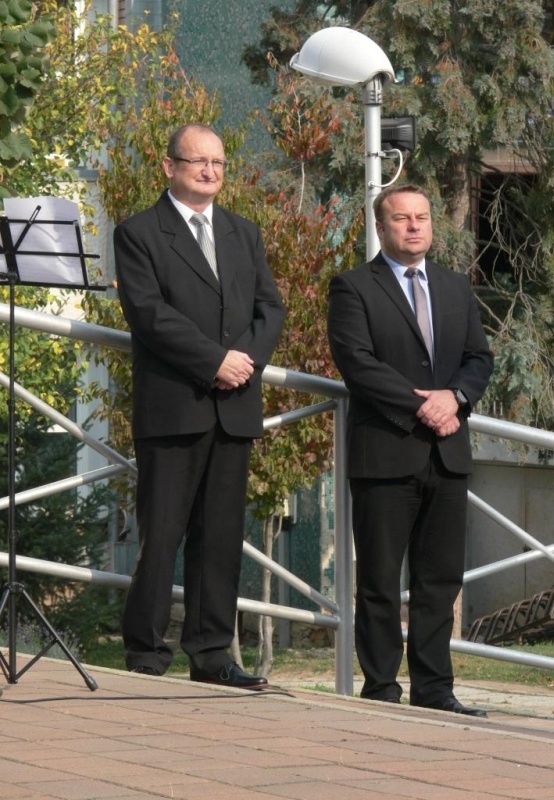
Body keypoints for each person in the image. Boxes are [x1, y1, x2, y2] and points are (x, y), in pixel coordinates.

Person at [114, 123, 285, 688]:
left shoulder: (243, 232)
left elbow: (270, 309)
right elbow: (149, 313)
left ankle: (212, 655)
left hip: (234, 405)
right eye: (198, 161)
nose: (210, 171)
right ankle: (145, 653)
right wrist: (214, 361)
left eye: (218, 162)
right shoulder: (138, 232)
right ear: (169, 167)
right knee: (162, 535)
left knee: (219, 539)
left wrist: (244, 362)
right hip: (175, 407)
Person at [327, 184, 493, 715]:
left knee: (439, 580)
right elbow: (357, 363)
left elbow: (479, 358)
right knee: (379, 579)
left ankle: (434, 689)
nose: (415, 226)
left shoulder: (454, 287)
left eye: (422, 217)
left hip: (447, 453)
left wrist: (455, 397)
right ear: (382, 228)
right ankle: (381, 689)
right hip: (386, 452)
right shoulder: (353, 287)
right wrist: (424, 405)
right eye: (402, 218)